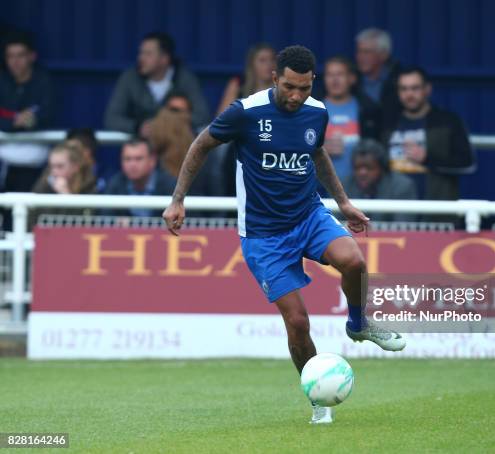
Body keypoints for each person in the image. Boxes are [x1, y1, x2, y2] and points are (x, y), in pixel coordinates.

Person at [162, 45, 405, 425]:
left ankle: (359, 324)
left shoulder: (317, 112)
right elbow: (201, 144)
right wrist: (178, 200)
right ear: (274, 78)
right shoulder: (246, 112)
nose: (296, 96)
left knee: (354, 260)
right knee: (297, 322)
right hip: (263, 234)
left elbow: (317, 153)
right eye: (289, 87)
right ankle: (318, 397)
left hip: (309, 215)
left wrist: (342, 202)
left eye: (304, 88)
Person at [383, 67, 476, 204]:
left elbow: (467, 163)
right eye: (404, 89)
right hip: (393, 209)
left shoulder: (448, 121)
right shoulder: (387, 123)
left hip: (436, 211)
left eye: (415, 88)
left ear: (427, 89)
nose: (409, 94)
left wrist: (427, 158)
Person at [104, 32, 209, 136]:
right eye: (141, 53)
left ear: (164, 59)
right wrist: (138, 127)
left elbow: (202, 115)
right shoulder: (129, 79)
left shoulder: (185, 79)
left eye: (148, 54)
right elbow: (112, 118)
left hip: (176, 148)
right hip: (140, 147)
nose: (141, 58)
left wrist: (169, 125)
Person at [0, 31, 55, 193]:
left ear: (32, 56)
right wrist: (14, 121)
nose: (15, 62)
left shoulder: (44, 82)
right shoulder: (2, 82)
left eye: (20, 55)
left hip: (33, 160)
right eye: (10, 56)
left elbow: (47, 116)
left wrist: (30, 121)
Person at [322, 56, 382, 182]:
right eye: (330, 75)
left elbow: (379, 150)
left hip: (359, 188)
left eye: (340, 74)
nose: (334, 80)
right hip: (319, 188)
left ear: (352, 78)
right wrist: (319, 150)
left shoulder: (368, 109)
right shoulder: (311, 109)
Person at [342, 139, 417, 222]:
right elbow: (336, 223)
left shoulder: (402, 186)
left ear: (382, 168)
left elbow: (403, 226)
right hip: (352, 234)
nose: (362, 173)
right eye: (357, 168)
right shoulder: (343, 186)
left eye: (369, 168)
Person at [30, 141, 96, 227]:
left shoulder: (89, 186)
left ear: (75, 167)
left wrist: (66, 195)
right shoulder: (44, 185)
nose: (54, 172)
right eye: (52, 166)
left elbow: (86, 222)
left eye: (60, 166)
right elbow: (33, 220)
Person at [105, 139, 176, 217]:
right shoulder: (114, 185)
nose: (132, 165)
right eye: (127, 159)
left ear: (152, 161)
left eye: (138, 159)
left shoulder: (170, 186)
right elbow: (104, 218)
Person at [354, 28, 402, 125]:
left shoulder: (400, 80)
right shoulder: (350, 81)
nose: (361, 57)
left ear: (383, 55)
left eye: (367, 52)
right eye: (359, 51)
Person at [216, 43, 276, 115]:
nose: (269, 64)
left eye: (272, 59)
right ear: (252, 64)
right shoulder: (238, 84)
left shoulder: (283, 87)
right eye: (262, 60)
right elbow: (222, 117)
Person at [148, 90, 195, 177]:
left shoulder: (200, 148)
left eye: (181, 112)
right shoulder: (149, 145)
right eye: (173, 110)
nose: (176, 117)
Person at [66, 128, 107, 192]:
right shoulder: (59, 174)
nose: (70, 155)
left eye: (74, 150)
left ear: (88, 150)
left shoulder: (107, 175)